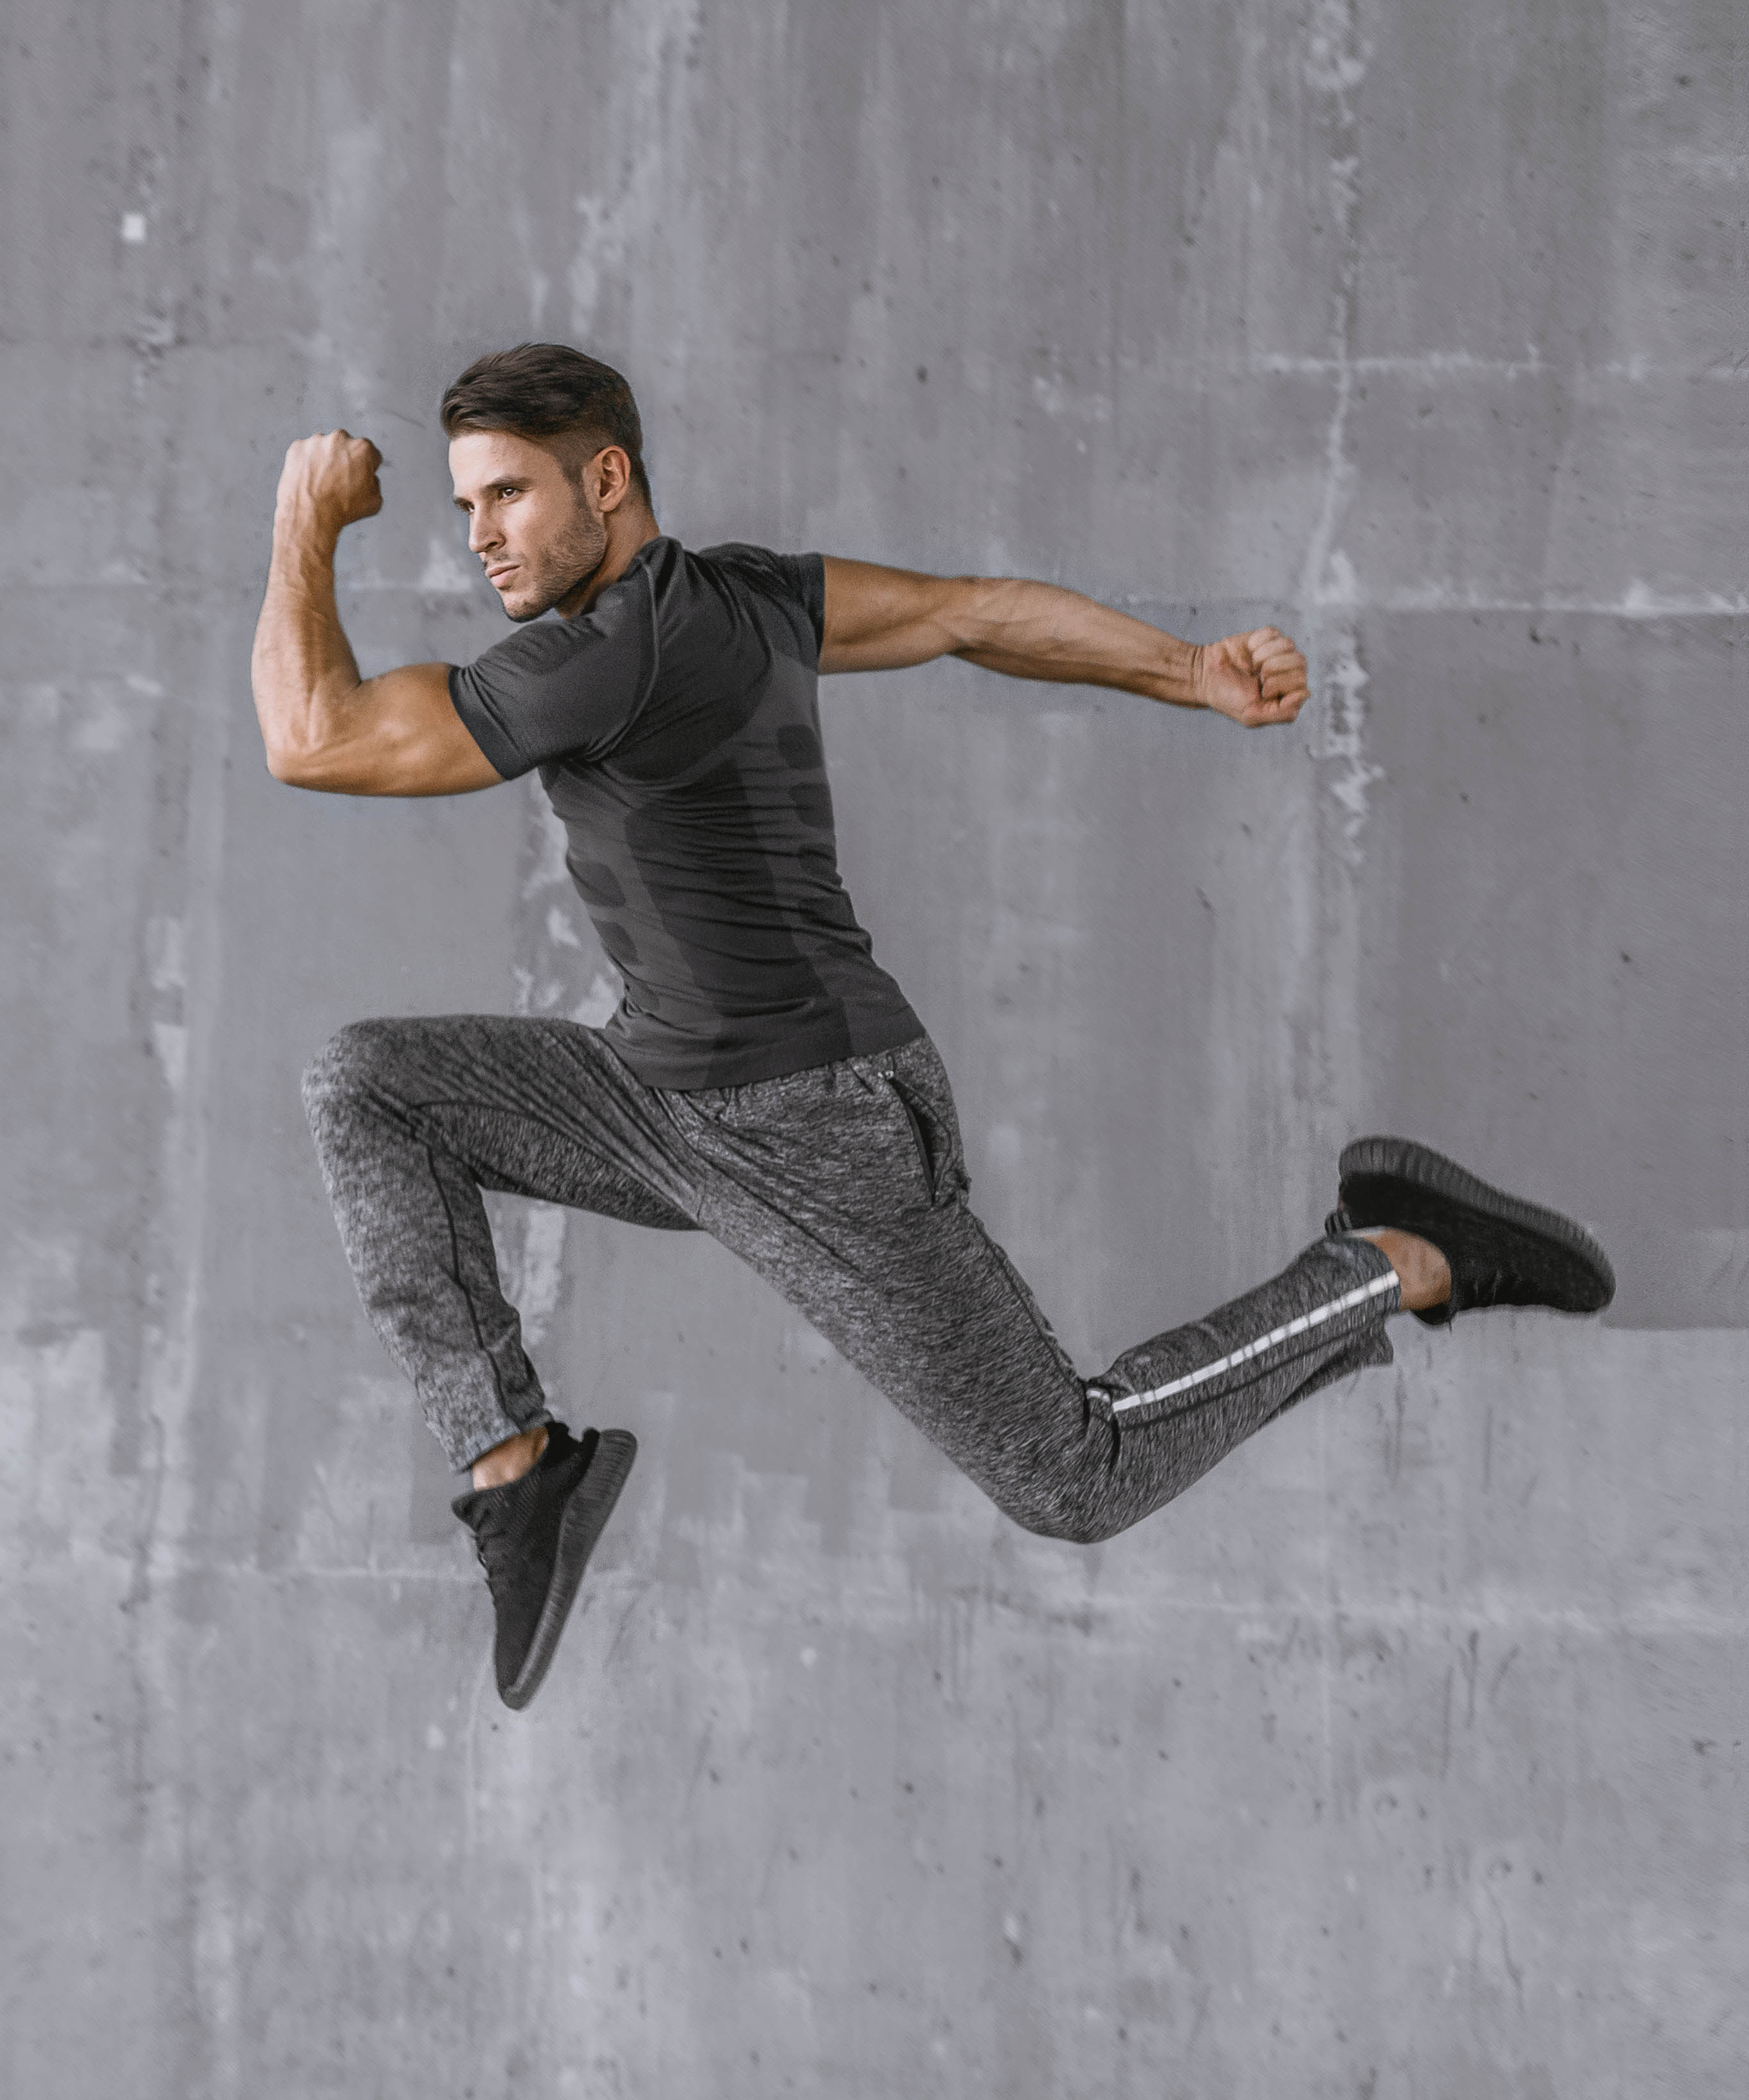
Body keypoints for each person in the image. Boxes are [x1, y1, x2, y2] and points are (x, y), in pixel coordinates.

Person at [255, 343, 1613, 1711]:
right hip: (664, 1093)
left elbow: (312, 738)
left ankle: (1399, 1257)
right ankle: (517, 1467)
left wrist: (303, 519)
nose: (481, 538)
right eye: (465, 508)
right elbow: (971, 614)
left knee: (1075, 1473)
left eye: (506, 496)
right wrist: (1186, 668)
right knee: (371, 1084)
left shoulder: (615, 652)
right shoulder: (745, 598)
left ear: (606, 479)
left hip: (810, 1124)